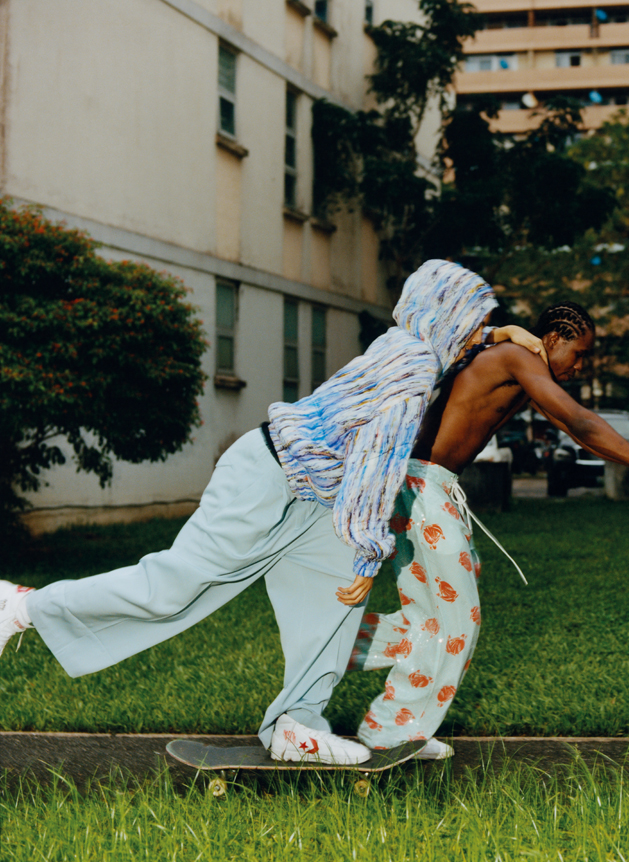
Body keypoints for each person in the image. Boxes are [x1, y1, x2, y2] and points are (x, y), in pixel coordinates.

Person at [0, 260, 546, 765]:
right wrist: (368, 549)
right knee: (175, 586)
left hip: (314, 498)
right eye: (477, 322)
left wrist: (501, 333)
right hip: (269, 479)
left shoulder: (408, 342)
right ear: (450, 317)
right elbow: (376, 465)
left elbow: (448, 346)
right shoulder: (412, 370)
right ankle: (24, 606)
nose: (479, 334)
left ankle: (296, 725)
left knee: (331, 613)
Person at [339, 302, 629, 757]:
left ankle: (387, 710)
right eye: (578, 354)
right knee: (459, 621)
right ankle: (353, 674)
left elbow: (574, 428)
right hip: (420, 484)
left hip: (426, 485)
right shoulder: (517, 358)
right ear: (555, 338)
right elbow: (581, 419)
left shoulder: (518, 364)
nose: (580, 367)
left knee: (435, 619)